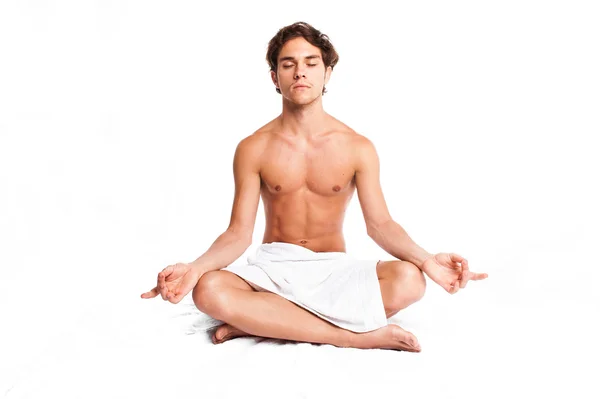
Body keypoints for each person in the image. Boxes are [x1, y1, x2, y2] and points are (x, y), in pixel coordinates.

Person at [141, 21, 488, 352]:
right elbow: (238, 233)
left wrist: (427, 260)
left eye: (311, 62)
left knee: (411, 281)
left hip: (334, 270)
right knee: (209, 290)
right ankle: (351, 336)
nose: (300, 71)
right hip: (273, 271)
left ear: (327, 74)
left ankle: (264, 322)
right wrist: (195, 267)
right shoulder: (253, 147)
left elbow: (380, 225)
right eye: (288, 64)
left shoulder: (357, 146)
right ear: (275, 77)